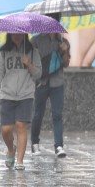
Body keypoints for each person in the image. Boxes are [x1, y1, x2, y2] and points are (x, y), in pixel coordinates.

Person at [0, 33, 41, 170]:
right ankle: (11, 149)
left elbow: (38, 74)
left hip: (26, 94)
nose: (16, 36)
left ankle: (20, 162)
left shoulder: (32, 50)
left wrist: (29, 64)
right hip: (7, 95)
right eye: (13, 33)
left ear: (24, 34)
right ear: (9, 34)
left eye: (19, 33)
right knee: (6, 129)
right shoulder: (3, 50)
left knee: (20, 126)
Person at [30, 13, 71, 158]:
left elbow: (66, 63)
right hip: (41, 83)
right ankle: (34, 143)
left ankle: (59, 146)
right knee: (38, 114)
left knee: (57, 114)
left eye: (56, 22)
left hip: (57, 83)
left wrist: (64, 50)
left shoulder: (63, 41)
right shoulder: (36, 41)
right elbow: (31, 62)